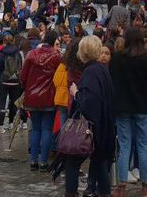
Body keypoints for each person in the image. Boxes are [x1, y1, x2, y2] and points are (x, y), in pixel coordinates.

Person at [110, 27, 147, 197]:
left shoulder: (117, 58)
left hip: (122, 106)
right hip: (141, 106)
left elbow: (112, 78)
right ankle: (145, 186)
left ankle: (121, 186)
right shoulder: (145, 59)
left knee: (124, 145)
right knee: (143, 146)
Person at [63, 35, 116, 197]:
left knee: (72, 162)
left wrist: (76, 93)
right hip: (103, 125)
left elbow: (89, 102)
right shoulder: (101, 69)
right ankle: (104, 193)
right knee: (100, 163)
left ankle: (71, 193)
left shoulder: (91, 71)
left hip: (92, 127)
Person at [20, 30, 62, 170]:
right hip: (48, 97)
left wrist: (27, 88)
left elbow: (23, 76)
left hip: (32, 97)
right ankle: (43, 161)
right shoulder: (56, 56)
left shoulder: (31, 54)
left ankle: (33, 161)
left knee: (36, 129)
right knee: (47, 129)